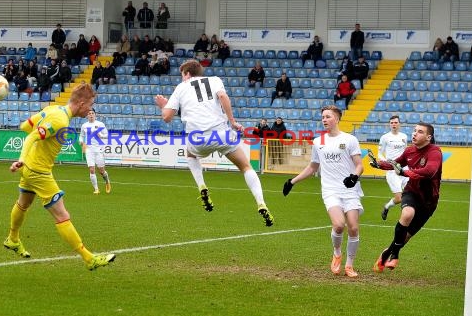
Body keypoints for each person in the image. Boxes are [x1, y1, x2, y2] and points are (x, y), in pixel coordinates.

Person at [3, 83, 116, 270]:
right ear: (81, 103)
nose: (90, 109)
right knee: (62, 215)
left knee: (23, 203)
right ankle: (89, 259)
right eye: (89, 104)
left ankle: (13, 238)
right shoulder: (60, 120)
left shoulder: (53, 109)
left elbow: (26, 126)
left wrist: (29, 156)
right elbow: (31, 136)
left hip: (31, 167)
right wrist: (21, 159)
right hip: (38, 171)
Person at [154, 59, 274, 227]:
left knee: (190, 155)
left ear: (187, 74)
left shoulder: (181, 87)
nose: (182, 78)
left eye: (182, 75)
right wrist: (232, 121)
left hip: (197, 138)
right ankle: (261, 202)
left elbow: (167, 118)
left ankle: (202, 186)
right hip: (221, 133)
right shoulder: (215, 80)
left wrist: (164, 105)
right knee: (246, 167)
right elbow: (223, 97)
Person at [282, 105, 364, 278]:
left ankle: (349, 265)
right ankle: (336, 253)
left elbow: (359, 165)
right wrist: (292, 181)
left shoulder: (350, 140)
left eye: (328, 116)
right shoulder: (319, 142)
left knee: (354, 228)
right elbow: (313, 167)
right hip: (330, 190)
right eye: (323, 117)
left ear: (337, 118)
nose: (324, 120)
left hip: (350, 190)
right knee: (339, 225)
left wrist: (354, 177)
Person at [369, 122, 442, 273]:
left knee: (406, 237)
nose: (415, 134)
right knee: (407, 213)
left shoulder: (435, 152)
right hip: (411, 191)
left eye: (420, 132)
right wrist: (379, 165)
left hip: (429, 202)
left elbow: (429, 171)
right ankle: (394, 255)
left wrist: (404, 173)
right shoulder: (409, 151)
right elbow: (396, 164)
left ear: (429, 137)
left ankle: (387, 252)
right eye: (414, 131)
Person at [377, 115, 408, 221]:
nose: (394, 124)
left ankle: (407, 216)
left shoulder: (404, 136)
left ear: (399, 124)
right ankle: (386, 207)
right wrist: (385, 162)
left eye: (395, 122)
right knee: (399, 198)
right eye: (392, 123)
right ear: (389, 124)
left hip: (404, 169)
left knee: (410, 193)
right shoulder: (385, 137)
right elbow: (380, 154)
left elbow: (405, 152)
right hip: (391, 171)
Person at [79, 109, 112, 194]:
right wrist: (81, 141)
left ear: (95, 115)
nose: (91, 115)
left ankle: (107, 181)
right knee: (92, 169)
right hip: (89, 150)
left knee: (101, 171)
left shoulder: (100, 124)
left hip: (99, 150)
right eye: (89, 113)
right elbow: (81, 136)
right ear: (87, 115)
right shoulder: (84, 125)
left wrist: (100, 135)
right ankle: (96, 189)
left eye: (92, 113)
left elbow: (107, 135)